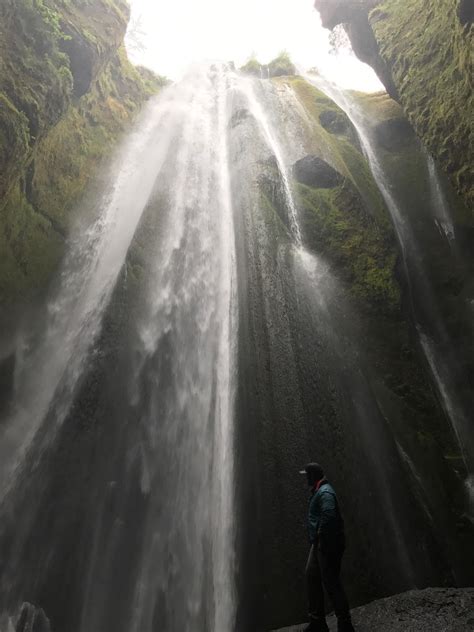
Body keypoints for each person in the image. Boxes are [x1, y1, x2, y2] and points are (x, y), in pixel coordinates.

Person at [299, 463, 355, 632]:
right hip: (319, 544)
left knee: (331, 583)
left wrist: (321, 536)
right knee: (312, 576)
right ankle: (317, 622)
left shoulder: (325, 492)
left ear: (313, 476)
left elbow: (329, 514)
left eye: (307, 476)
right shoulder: (319, 491)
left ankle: (345, 624)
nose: (305, 479)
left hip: (327, 544)